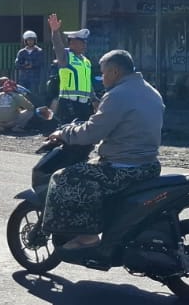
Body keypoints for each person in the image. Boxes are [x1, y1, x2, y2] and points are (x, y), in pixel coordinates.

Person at [43, 50, 163, 250]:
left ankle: (88, 236)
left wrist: (64, 133)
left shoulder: (117, 95)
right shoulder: (152, 92)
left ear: (115, 72)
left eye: (103, 73)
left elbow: (92, 133)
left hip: (122, 168)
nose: (102, 78)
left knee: (63, 177)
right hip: (149, 165)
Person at [48, 12, 98, 123]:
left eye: (85, 43)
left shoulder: (86, 61)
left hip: (84, 104)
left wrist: (94, 99)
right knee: (66, 134)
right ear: (71, 44)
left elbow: (87, 82)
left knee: (83, 134)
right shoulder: (65, 57)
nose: (84, 46)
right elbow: (57, 45)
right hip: (68, 104)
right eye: (81, 43)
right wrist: (55, 31)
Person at [15, 29, 48, 101]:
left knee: (33, 95)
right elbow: (17, 63)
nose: (30, 42)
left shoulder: (39, 51)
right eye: (28, 40)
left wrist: (32, 65)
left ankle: (34, 109)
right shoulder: (21, 52)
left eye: (32, 40)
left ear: (35, 41)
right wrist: (24, 65)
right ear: (25, 41)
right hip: (23, 78)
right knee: (22, 94)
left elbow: (41, 62)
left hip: (34, 78)